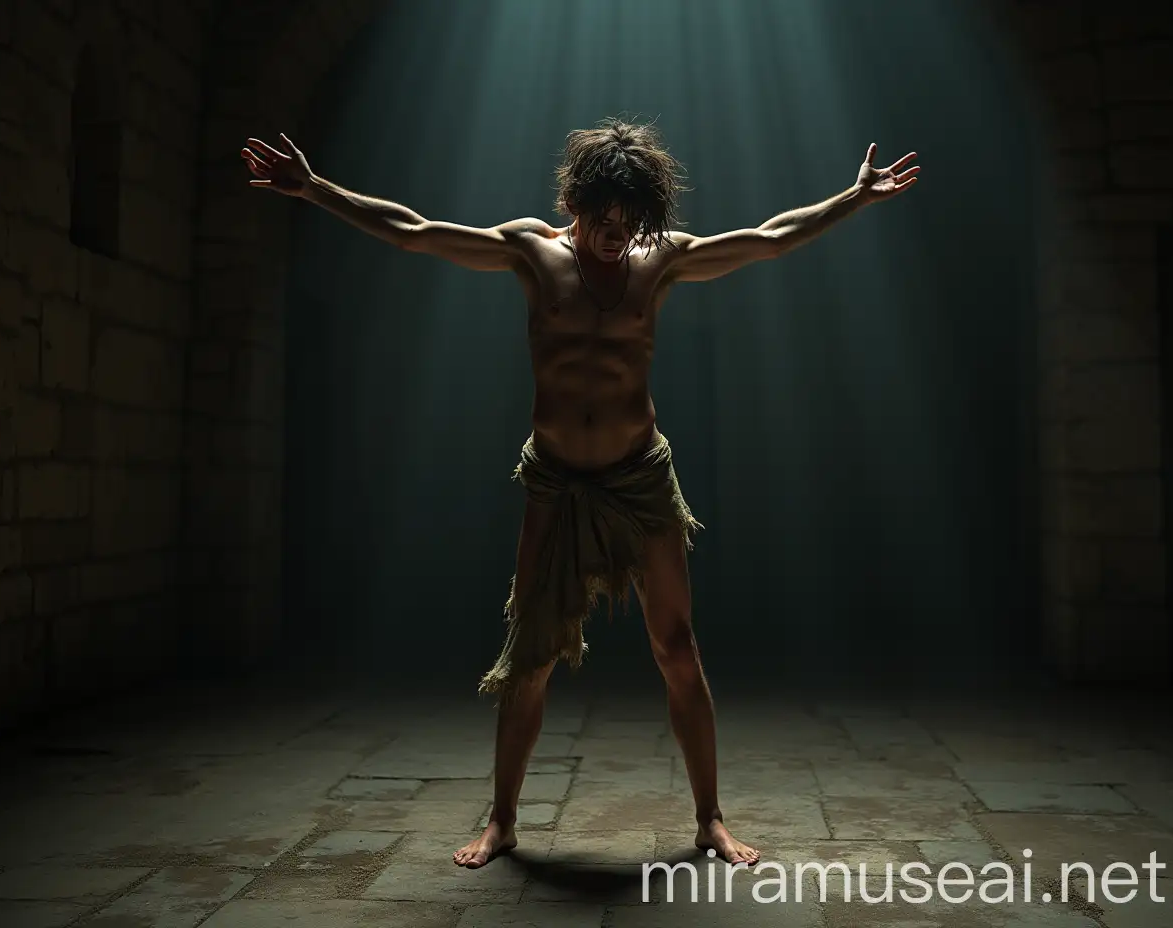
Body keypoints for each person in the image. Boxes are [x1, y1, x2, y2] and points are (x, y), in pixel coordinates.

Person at [241, 117, 919, 869]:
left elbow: (769, 237)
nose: (615, 234)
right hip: (556, 481)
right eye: (604, 219)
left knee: (677, 646)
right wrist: (314, 189)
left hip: (639, 476)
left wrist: (852, 199)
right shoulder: (533, 252)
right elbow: (414, 230)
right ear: (575, 203)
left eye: (630, 222)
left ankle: (710, 821)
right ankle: (502, 820)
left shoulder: (660, 261)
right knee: (530, 653)